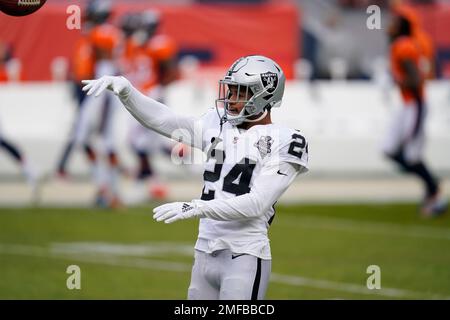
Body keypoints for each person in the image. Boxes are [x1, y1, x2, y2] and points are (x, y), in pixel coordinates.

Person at [82, 55, 308, 300]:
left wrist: (197, 207)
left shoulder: (285, 139)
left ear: (264, 95)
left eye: (239, 92)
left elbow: (257, 204)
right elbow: (165, 120)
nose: (230, 99)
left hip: (244, 253)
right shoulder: (217, 123)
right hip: (204, 250)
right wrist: (127, 91)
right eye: (230, 90)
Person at [383, 11, 447, 217]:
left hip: (415, 104)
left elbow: (417, 79)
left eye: (393, 23)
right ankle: (430, 182)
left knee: (411, 156)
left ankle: (433, 191)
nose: (387, 26)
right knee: (389, 149)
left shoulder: (403, 46)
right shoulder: (401, 45)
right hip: (407, 104)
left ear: (400, 26)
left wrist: (400, 81)